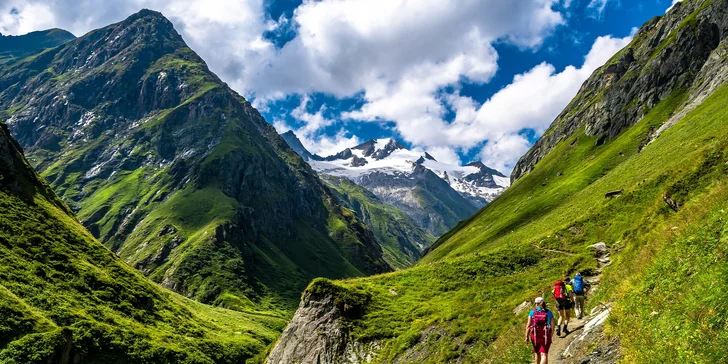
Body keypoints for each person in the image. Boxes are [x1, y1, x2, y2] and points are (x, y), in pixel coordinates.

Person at [525, 297, 554, 364]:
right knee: (544, 354)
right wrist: (550, 335)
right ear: (542, 302)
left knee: (537, 353)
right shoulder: (548, 312)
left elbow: (528, 325)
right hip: (545, 335)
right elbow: (552, 325)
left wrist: (526, 337)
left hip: (534, 335)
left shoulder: (532, 312)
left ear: (536, 303)